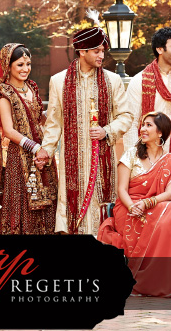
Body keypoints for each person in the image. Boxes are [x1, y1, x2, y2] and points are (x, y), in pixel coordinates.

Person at [36, 23, 133, 235]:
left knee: (102, 216)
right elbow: (54, 123)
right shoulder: (59, 81)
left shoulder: (113, 80)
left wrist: (106, 130)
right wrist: (46, 150)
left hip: (102, 161)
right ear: (82, 51)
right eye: (96, 51)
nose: (101, 56)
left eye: (102, 51)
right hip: (72, 164)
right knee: (71, 217)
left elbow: (126, 116)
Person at [98, 112, 171, 297]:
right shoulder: (130, 155)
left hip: (154, 206)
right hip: (128, 208)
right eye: (143, 125)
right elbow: (121, 190)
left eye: (148, 125)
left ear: (161, 132)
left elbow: (170, 194)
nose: (143, 129)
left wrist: (147, 202)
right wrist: (133, 206)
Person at [0, 43, 57, 235]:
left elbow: (38, 118)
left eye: (28, 63)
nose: (25, 69)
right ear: (8, 66)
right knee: (23, 203)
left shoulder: (32, 88)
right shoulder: (5, 94)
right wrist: (35, 148)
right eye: (20, 64)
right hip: (19, 157)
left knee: (48, 200)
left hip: (43, 153)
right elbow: (9, 130)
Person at [123, 28, 171, 166]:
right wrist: (136, 163)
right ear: (160, 49)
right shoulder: (139, 81)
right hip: (146, 163)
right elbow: (131, 124)